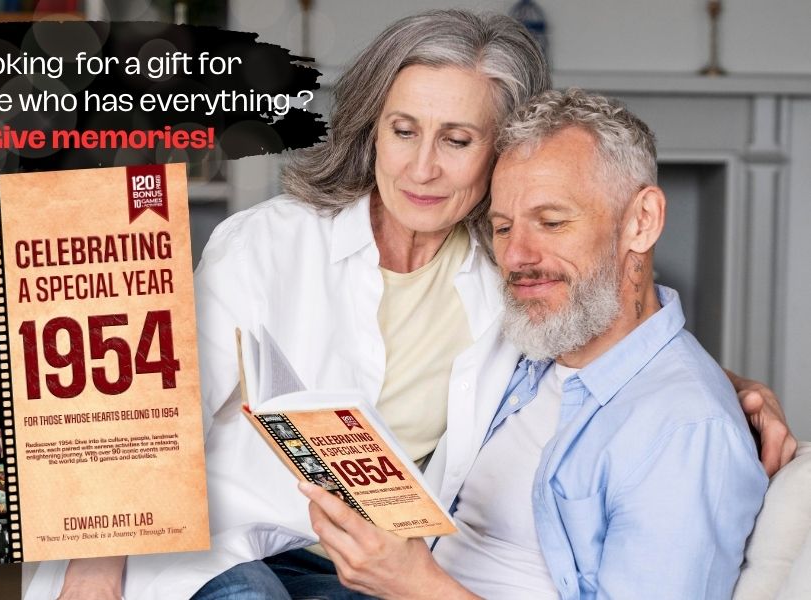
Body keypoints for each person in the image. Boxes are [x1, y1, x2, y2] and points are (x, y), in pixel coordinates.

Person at [41, 10, 795, 600]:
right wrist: (93, 577)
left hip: (369, 572)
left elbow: (600, 335)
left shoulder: (508, 271)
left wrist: (721, 390)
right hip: (222, 549)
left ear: (500, 152)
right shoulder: (265, 244)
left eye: (459, 139)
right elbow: (142, 412)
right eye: (403, 131)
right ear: (373, 131)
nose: (423, 168)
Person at [300, 89, 769, 599]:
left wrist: (415, 585)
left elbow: (673, 403)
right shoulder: (528, 348)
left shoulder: (685, 430)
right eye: (502, 228)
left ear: (642, 221)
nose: (518, 256)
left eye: (552, 222)